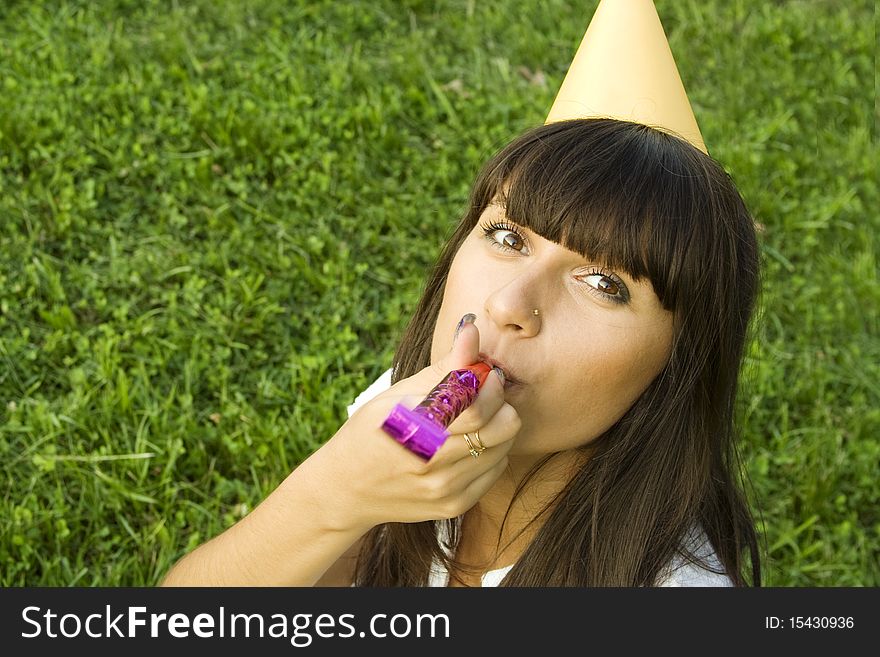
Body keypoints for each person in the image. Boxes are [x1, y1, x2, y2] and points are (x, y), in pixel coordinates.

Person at [161, 1, 762, 587]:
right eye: (507, 236)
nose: (508, 305)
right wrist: (334, 495)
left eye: (604, 284)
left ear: (682, 356)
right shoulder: (417, 412)